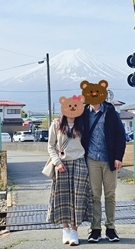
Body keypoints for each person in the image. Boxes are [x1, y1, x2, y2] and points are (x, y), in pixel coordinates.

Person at [80, 80, 127, 243]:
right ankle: (95, 229)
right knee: (94, 195)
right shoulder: (83, 113)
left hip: (109, 159)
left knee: (110, 195)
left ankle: (111, 228)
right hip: (91, 159)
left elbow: (121, 136)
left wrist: (118, 157)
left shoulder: (111, 112)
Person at [47, 96, 92, 246]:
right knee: (63, 198)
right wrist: (57, 162)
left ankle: (74, 230)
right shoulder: (56, 124)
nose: (72, 109)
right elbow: (50, 146)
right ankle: (65, 229)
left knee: (78, 198)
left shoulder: (83, 124)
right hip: (62, 164)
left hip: (79, 163)